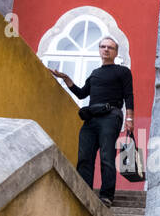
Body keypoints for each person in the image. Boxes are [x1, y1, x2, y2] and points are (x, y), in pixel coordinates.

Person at [49, 37, 134, 207]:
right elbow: (82, 94)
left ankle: (106, 196)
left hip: (111, 115)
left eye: (110, 47)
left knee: (106, 156)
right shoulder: (95, 73)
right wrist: (66, 78)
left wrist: (129, 119)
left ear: (116, 52)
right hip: (91, 117)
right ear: (99, 50)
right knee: (84, 157)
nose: (106, 50)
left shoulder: (122, 71)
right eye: (102, 46)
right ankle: (83, 192)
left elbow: (129, 95)